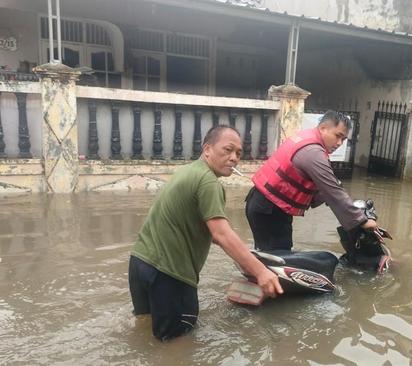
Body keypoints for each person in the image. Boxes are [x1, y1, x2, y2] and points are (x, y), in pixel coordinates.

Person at [129, 125, 283, 342]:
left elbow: (197, 227)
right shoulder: (209, 182)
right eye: (227, 150)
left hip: (140, 264)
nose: (233, 158)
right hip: (170, 274)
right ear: (207, 149)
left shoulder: (188, 171)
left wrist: (245, 256)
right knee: (176, 345)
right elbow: (221, 234)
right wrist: (261, 272)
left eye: (238, 153)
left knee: (146, 331)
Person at [245, 110, 380, 252]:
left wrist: (349, 205)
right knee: (279, 258)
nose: (339, 143)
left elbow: (327, 189)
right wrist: (362, 221)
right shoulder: (313, 153)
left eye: (344, 139)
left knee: (270, 254)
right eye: (337, 136)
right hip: (270, 210)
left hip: (264, 204)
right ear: (323, 129)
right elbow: (332, 191)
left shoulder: (307, 139)